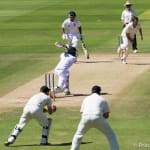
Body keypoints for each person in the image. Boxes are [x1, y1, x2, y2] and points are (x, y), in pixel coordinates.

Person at [70, 85, 119, 150]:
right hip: (98, 117)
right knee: (111, 135)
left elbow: (82, 113)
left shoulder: (86, 98)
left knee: (78, 135)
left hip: (85, 117)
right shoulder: (102, 99)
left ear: (91, 92)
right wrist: (100, 119)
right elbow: (106, 115)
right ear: (100, 92)